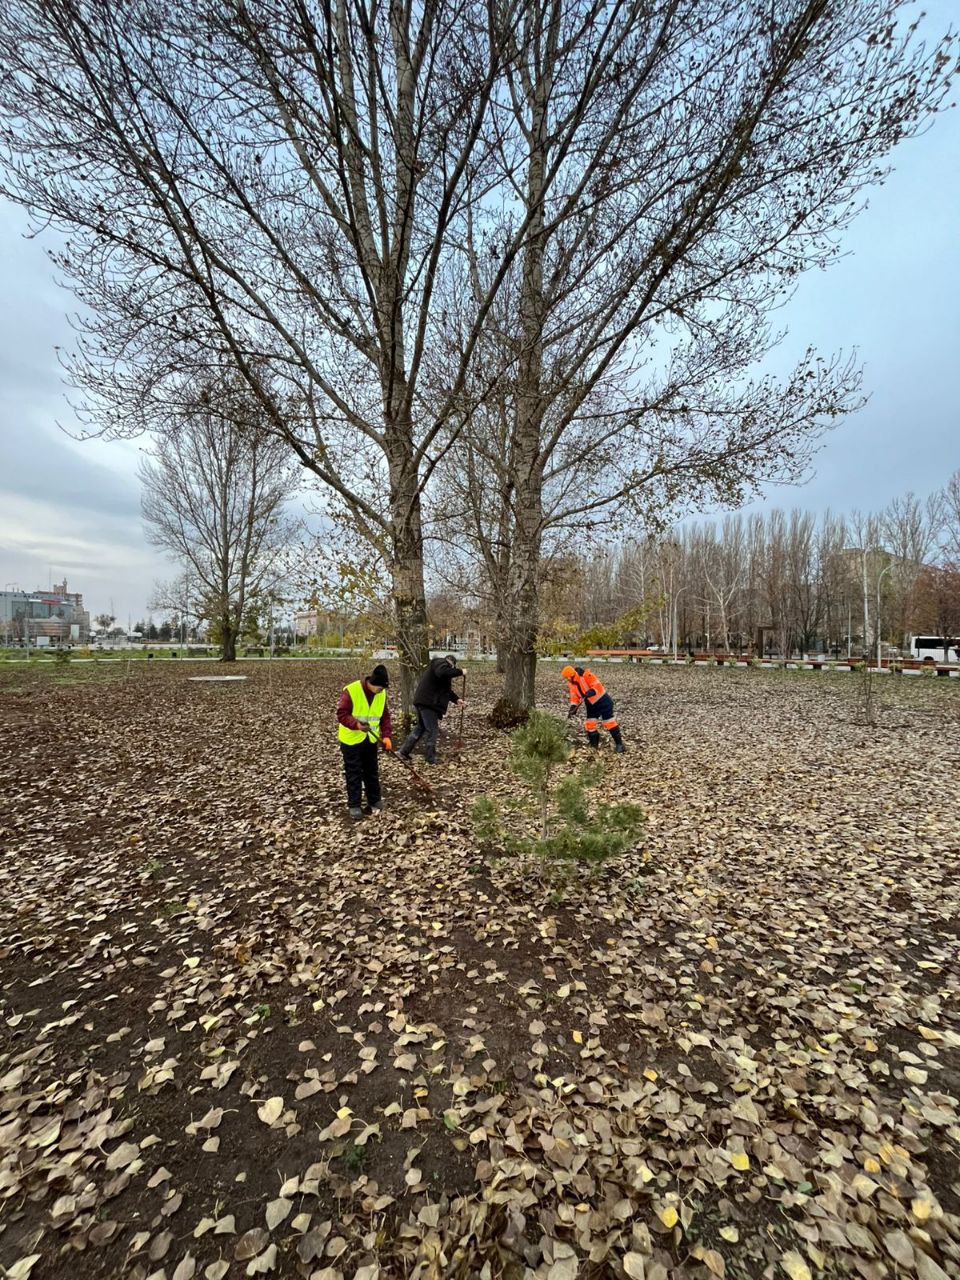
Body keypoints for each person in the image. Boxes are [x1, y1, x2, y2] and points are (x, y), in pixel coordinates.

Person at [337, 664, 393, 821]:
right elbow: (341, 714)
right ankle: (354, 805)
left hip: (370, 739)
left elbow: (385, 716)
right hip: (351, 740)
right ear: (373, 683)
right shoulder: (352, 691)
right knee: (354, 772)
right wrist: (356, 725)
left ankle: (374, 799)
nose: (382, 691)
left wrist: (387, 736)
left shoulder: (381, 694)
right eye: (380, 688)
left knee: (371, 771)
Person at [397, 654, 465, 765]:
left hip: (424, 701)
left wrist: (457, 700)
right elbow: (443, 672)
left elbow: (446, 691)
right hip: (428, 703)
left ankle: (403, 751)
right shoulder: (440, 663)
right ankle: (430, 758)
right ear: (450, 663)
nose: (451, 670)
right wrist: (460, 671)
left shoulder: (440, 671)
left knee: (420, 728)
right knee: (432, 730)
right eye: (452, 668)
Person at [561, 664, 626, 753]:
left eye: (567, 677)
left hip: (603, 701)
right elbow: (574, 696)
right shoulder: (571, 684)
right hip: (590, 704)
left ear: (572, 675)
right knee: (589, 724)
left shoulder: (586, 675)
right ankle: (594, 746)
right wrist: (573, 706)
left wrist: (592, 691)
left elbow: (597, 685)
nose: (567, 680)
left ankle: (620, 745)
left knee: (609, 722)